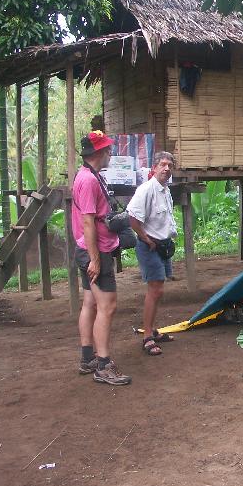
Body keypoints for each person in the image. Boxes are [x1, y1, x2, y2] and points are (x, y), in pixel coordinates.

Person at [73, 130, 131, 385]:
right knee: (107, 306)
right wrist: (96, 259)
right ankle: (104, 365)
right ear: (97, 153)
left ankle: (88, 358)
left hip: (90, 248)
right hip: (95, 250)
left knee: (90, 303)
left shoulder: (91, 175)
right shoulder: (88, 180)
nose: (110, 153)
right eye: (107, 149)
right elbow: (87, 222)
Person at [127, 152, 178, 356]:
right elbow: (132, 218)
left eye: (170, 166)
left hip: (163, 245)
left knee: (159, 290)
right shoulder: (146, 190)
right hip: (150, 245)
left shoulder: (165, 191)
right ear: (154, 168)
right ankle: (147, 336)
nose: (166, 169)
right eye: (163, 165)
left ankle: (152, 331)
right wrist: (146, 239)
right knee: (154, 290)